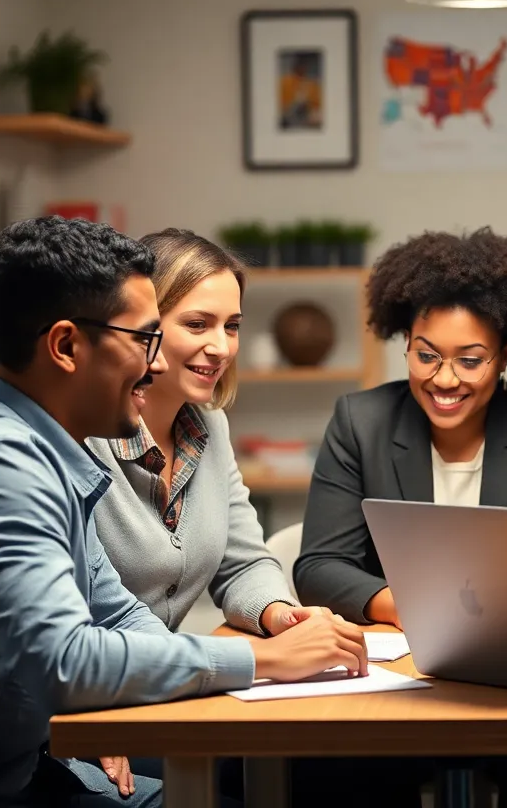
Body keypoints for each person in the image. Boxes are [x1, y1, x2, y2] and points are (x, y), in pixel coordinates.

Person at [0, 217, 367, 808]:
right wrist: (259, 658)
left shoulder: (46, 449)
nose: (155, 367)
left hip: (12, 773)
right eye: (145, 339)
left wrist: (265, 661)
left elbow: (118, 612)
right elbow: (67, 664)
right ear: (67, 346)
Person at [293, 227, 507, 808]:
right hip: (398, 679)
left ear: (506, 356)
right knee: (334, 774)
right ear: (405, 343)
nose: (444, 379)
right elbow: (319, 566)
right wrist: (425, 612)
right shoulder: (360, 423)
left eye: (470, 360)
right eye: (427, 355)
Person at [85, 228, 345, 799]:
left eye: (232, 326)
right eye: (198, 324)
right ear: (141, 325)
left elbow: (243, 559)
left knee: (322, 770)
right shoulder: (83, 436)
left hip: (169, 691)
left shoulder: (210, 428)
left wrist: (280, 615)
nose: (222, 346)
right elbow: (75, 618)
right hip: (96, 705)